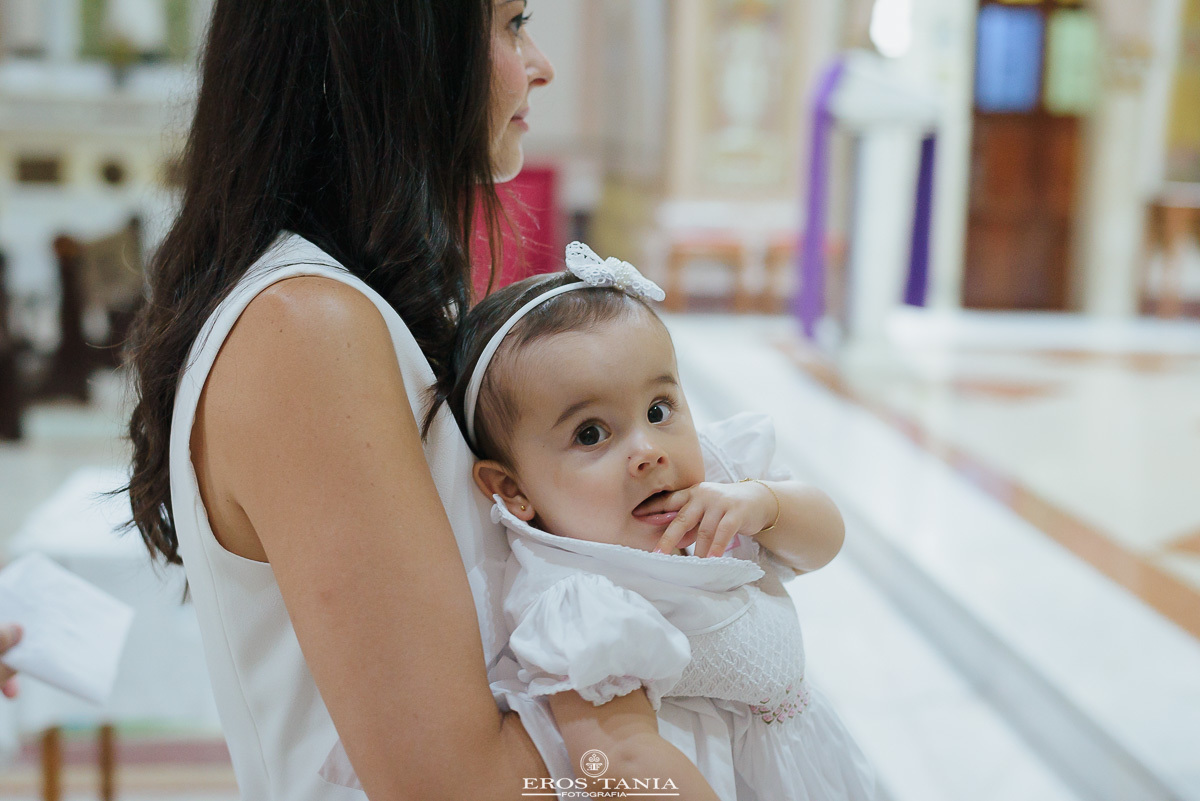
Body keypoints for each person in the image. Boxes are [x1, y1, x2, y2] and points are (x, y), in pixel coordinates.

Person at [122, 2, 561, 799]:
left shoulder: (348, 304)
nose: (540, 64)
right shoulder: (305, 329)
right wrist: (669, 681)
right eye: (513, 24)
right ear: (401, 45)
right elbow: (457, 787)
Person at [325, 243, 877, 799]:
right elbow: (617, 760)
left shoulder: (721, 484)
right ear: (513, 491)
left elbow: (824, 542)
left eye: (659, 411)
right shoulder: (583, 600)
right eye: (591, 433)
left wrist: (765, 503)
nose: (648, 450)